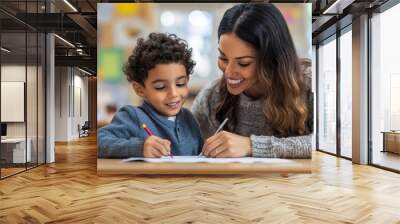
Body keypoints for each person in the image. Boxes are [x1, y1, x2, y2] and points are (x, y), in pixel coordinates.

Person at [192, 3, 313, 158]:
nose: (228, 72)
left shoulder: (309, 83)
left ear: (271, 59)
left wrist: (252, 146)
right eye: (223, 58)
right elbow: (184, 145)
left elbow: (328, 146)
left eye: (243, 63)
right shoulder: (212, 95)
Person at [98, 33, 202, 158]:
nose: (174, 94)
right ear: (140, 89)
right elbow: (99, 142)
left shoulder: (188, 118)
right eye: (161, 87)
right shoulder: (133, 116)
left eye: (180, 84)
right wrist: (139, 147)